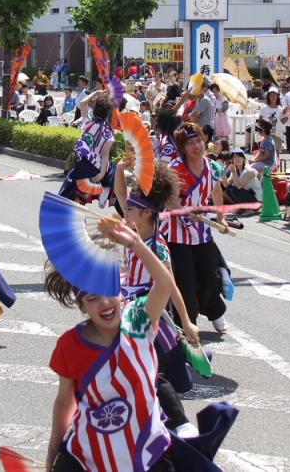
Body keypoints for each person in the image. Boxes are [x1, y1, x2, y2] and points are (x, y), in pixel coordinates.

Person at [44, 219, 183, 471]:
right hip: (91, 457)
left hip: (147, 453)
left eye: (109, 292)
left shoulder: (139, 320)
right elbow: (65, 402)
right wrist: (53, 452)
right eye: (92, 298)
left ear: (121, 292)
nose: (104, 303)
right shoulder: (69, 345)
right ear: (81, 306)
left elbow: (164, 284)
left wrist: (135, 243)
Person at [112, 155, 202, 437]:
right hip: (127, 307)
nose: (126, 212)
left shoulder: (157, 245)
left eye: (132, 210)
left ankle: (178, 422)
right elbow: (120, 193)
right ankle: (154, 419)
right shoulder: (132, 231)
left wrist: (186, 321)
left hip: (150, 311)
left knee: (151, 369)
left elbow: (170, 284)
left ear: (147, 214)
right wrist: (118, 170)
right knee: (134, 367)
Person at [163, 123, 230, 333]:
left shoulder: (212, 167)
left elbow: (216, 192)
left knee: (209, 274)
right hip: (176, 233)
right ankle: (186, 323)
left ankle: (215, 312)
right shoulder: (174, 169)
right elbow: (170, 200)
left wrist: (221, 217)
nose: (197, 146)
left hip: (201, 232)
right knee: (186, 281)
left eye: (199, 140)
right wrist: (185, 211)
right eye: (190, 143)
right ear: (182, 148)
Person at [59, 92, 116, 205]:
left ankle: (66, 214)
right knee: (80, 197)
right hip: (96, 168)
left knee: (68, 192)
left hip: (83, 165)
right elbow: (105, 154)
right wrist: (102, 174)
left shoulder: (88, 123)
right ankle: (107, 190)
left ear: (95, 109)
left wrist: (97, 92)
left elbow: (82, 103)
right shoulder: (109, 132)